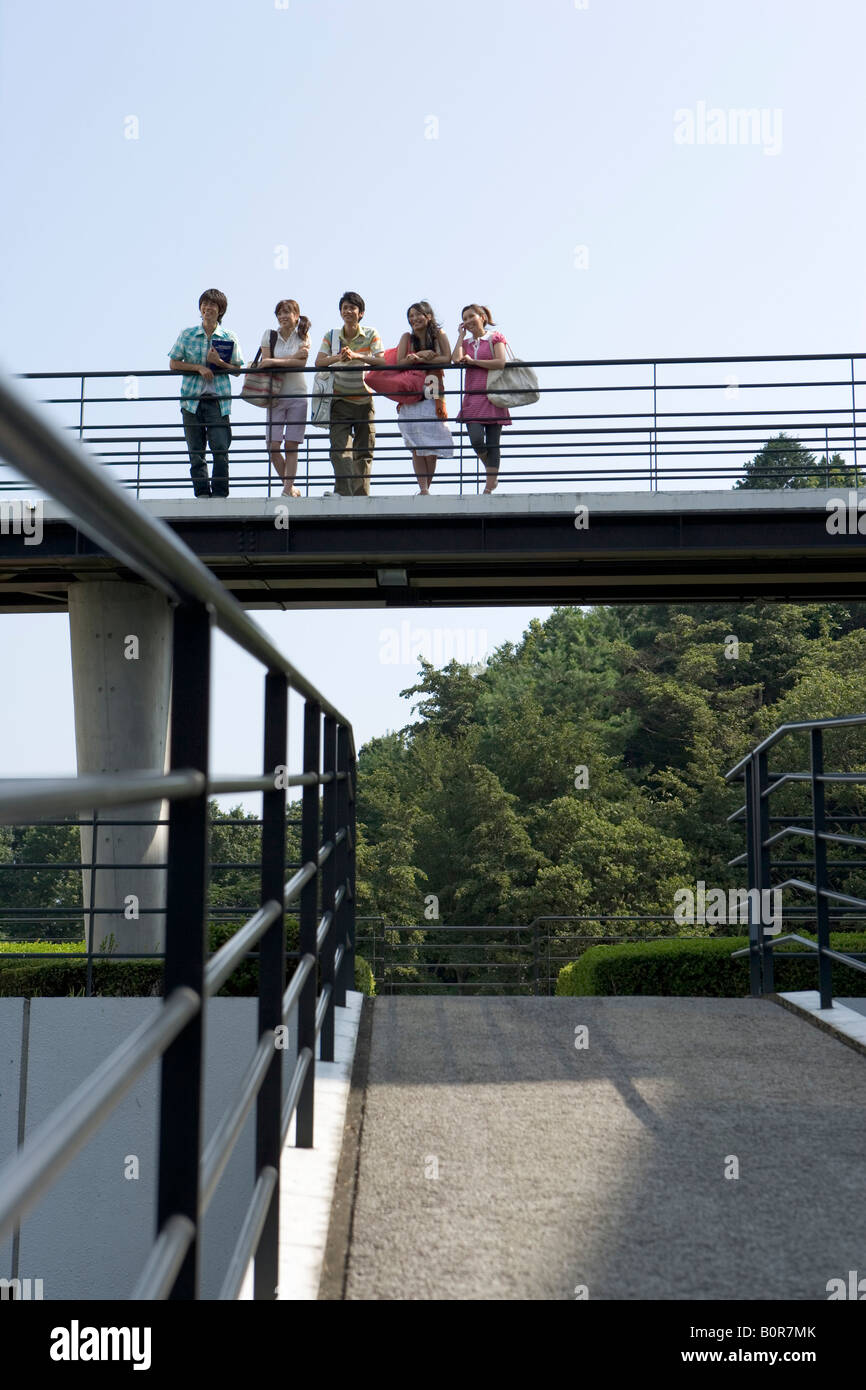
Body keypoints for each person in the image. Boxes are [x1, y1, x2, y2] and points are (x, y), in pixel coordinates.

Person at [169, 288, 243, 498]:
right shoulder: (188, 334)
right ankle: (201, 493)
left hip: (218, 400)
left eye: (212, 305)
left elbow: (239, 370)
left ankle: (220, 494)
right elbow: (173, 363)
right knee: (196, 450)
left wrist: (218, 363)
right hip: (191, 400)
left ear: (220, 311)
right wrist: (199, 368)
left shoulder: (229, 336)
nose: (207, 308)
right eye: (204, 304)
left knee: (220, 447)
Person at [314, 291, 386, 496]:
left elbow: (382, 361)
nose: (348, 311)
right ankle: (344, 493)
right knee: (339, 450)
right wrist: (339, 357)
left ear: (360, 313)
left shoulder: (371, 333)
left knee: (364, 451)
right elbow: (319, 362)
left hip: (364, 400)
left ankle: (361, 495)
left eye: (352, 308)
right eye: (345, 307)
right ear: (340, 311)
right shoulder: (332, 335)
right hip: (339, 400)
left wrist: (355, 355)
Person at [394, 301, 453, 495]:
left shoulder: (438, 335)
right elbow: (400, 362)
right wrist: (420, 356)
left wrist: (425, 357)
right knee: (416, 445)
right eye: (411, 316)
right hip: (410, 391)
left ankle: (427, 486)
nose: (414, 319)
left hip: (432, 389)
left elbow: (447, 358)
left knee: (432, 443)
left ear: (428, 316)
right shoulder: (407, 338)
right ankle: (423, 488)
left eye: (418, 314)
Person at [451, 304, 511, 494]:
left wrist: (474, 362)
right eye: (465, 318)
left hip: (493, 395)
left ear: (483, 317)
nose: (468, 321)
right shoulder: (467, 343)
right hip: (473, 396)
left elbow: (500, 362)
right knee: (476, 439)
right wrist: (460, 336)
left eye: (471, 316)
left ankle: (489, 486)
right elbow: (455, 359)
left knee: (493, 442)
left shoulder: (495, 338)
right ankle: (491, 469)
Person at [258, 299, 311, 497]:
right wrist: (288, 360)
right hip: (275, 395)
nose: (282, 316)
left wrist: (274, 361)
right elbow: (265, 364)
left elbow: (302, 364)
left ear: (296, 316)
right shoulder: (269, 335)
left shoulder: (303, 335)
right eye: (279, 313)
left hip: (298, 394)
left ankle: (288, 489)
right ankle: (290, 486)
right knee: (272, 446)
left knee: (291, 444)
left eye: (287, 312)